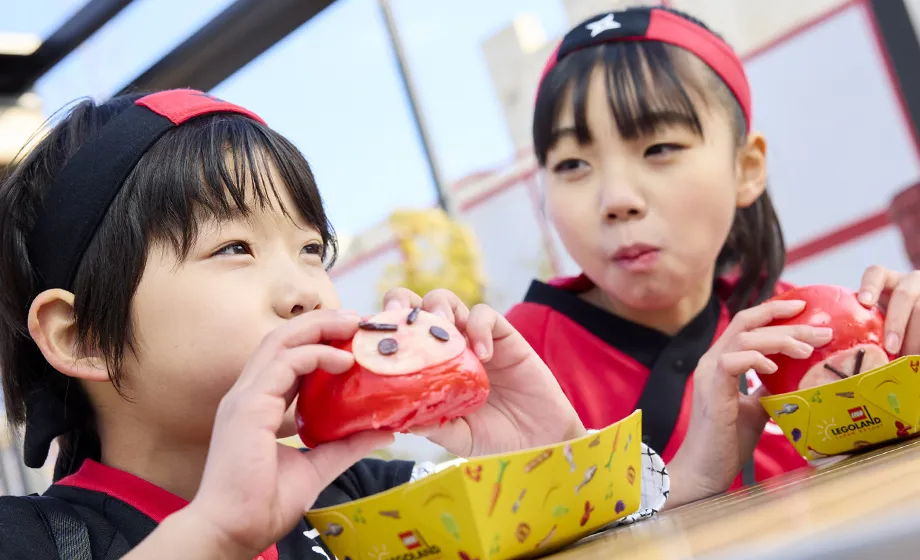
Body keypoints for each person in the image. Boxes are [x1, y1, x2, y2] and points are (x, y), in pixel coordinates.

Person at [0, 89, 780, 559]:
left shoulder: (368, 501)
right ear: (81, 335)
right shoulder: (29, 539)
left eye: (312, 250)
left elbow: (626, 537)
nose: (306, 292)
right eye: (234, 248)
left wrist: (553, 458)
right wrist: (215, 534)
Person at [506, 5, 920, 486]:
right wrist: (680, 486)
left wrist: (902, 386)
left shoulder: (808, 330)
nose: (616, 200)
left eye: (659, 149)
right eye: (573, 165)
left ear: (746, 169)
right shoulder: (516, 362)